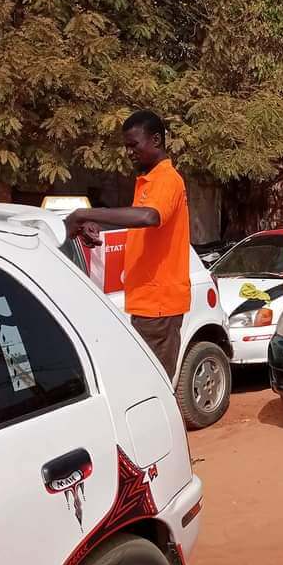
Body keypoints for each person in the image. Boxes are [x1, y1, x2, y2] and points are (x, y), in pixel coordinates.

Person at [65, 110, 191, 378]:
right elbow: (140, 224)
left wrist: (84, 213)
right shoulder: (147, 181)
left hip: (159, 305)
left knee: (152, 387)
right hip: (146, 302)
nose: (129, 153)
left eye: (134, 145)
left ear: (156, 140)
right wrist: (98, 225)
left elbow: (148, 216)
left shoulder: (166, 179)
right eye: (127, 147)